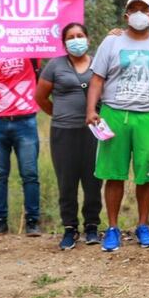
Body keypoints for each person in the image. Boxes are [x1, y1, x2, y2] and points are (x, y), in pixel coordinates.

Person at [86, 0, 149, 253]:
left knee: (146, 176)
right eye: (133, 9)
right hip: (115, 114)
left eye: (143, 9)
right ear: (126, 15)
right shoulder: (112, 42)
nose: (138, 13)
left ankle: (143, 226)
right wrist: (91, 109)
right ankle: (113, 228)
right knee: (113, 175)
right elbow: (97, 79)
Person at [34, 23, 103, 250]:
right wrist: (58, 114)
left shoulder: (98, 64)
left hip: (92, 131)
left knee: (93, 180)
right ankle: (70, 229)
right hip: (63, 131)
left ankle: (92, 226)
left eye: (80, 35)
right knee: (67, 181)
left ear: (88, 38)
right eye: (71, 37)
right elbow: (41, 97)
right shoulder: (55, 65)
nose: (76, 40)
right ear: (64, 43)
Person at [0, 55, 41, 237]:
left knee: (30, 173)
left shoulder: (30, 47)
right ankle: (0, 222)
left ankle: (33, 221)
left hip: (26, 120)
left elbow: (56, 43)